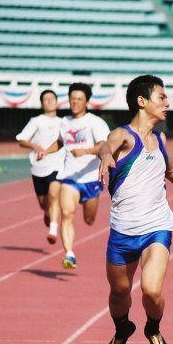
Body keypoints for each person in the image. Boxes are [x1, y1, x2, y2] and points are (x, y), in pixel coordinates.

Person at [97, 74, 173, 344]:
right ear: (142, 101)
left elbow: (169, 170)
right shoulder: (124, 136)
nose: (167, 103)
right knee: (119, 293)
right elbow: (106, 144)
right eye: (162, 97)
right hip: (122, 231)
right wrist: (105, 156)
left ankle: (153, 328)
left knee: (151, 289)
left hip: (156, 227)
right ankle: (122, 328)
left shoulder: (160, 139)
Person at [52, 82, 111, 269]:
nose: (75, 102)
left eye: (79, 99)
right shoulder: (64, 122)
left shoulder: (95, 122)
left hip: (91, 178)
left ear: (86, 102)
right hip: (70, 177)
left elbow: (103, 146)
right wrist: (44, 151)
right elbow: (59, 142)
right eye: (72, 99)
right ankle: (69, 254)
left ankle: (87, 215)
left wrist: (85, 151)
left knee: (89, 219)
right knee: (67, 213)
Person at [15, 89, 65, 244]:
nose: (49, 101)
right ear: (42, 104)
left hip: (57, 164)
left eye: (52, 99)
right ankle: (48, 213)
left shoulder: (64, 122)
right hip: (38, 167)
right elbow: (22, 140)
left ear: (57, 103)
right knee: (44, 204)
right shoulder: (36, 121)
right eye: (46, 99)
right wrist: (35, 146)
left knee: (54, 195)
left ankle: (53, 230)